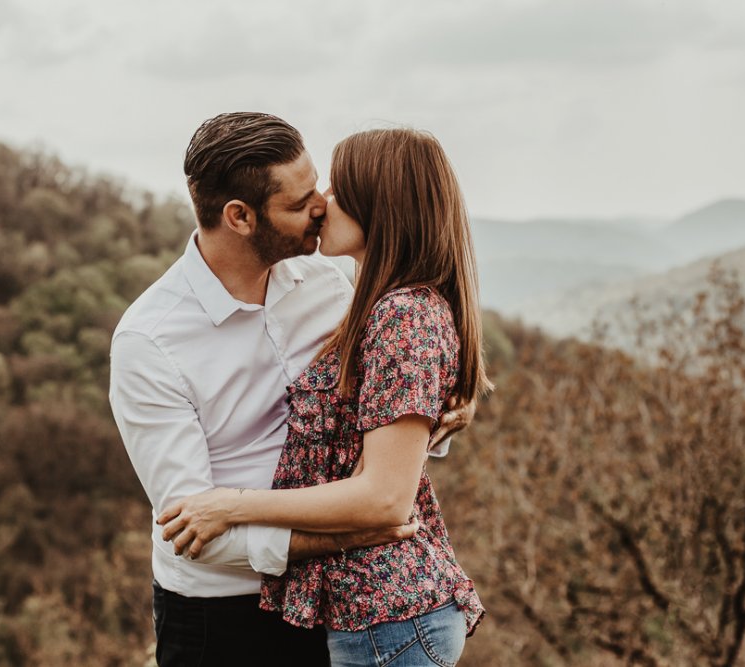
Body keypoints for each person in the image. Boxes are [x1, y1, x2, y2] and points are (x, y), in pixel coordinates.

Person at [108, 113, 472, 667]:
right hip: (223, 619)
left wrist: (440, 415)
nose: (322, 206)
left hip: (333, 603)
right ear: (240, 217)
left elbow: (372, 414)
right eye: (301, 202)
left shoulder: (331, 283)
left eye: (320, 188)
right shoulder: (151, 343)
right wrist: (355, 534)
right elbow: (196, 531)